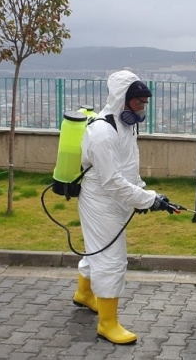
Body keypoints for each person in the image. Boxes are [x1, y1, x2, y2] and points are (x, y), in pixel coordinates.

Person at [72, 70, 179, 345]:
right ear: (123, 99)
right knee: (111, 257)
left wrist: (141, 194)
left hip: (116, 197)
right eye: (138, 102)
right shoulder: (102, 132)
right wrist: (148, 199)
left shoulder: (125, 125)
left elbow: (127, 167)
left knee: (98, 247)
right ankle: (107, 324)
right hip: (101, 199)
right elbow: (111, 181)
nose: (143, 107)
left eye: (145, 102)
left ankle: (84, 294)